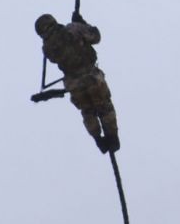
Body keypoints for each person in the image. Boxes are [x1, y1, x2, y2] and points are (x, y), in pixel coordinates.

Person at [33, 12, 120, 155]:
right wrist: (82, 23)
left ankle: (98, 139)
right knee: (104, 107)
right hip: (91, 78)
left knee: (87, 112)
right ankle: (112, 139)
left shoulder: (47, 49)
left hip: (74, 86)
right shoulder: (72, 29)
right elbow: (95, 37)